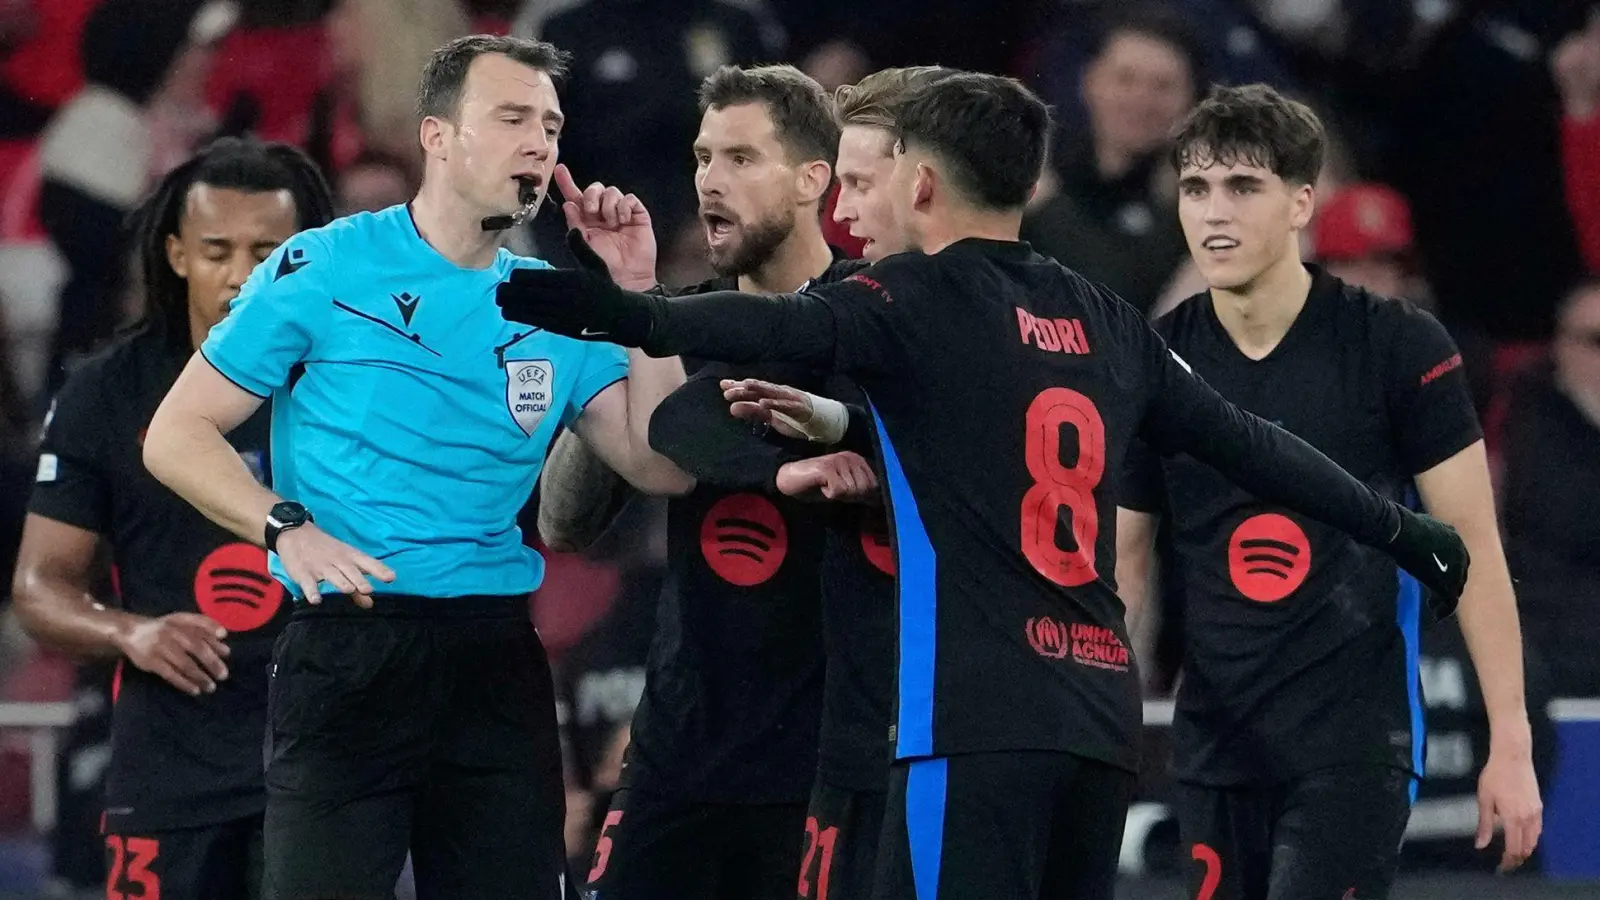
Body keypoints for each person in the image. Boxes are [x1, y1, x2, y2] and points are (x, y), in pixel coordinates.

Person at [495, 72, 1474, 900]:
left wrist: (629, 313)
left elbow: (776, 328)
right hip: (1099, 722)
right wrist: (1399, 527)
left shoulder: (912, 298)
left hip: (968, 722)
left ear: (922, 182)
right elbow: (1252, 443)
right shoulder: (1102, 315)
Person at [140, 35, 690, 900]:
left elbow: (661, 465)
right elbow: (175, 434)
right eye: (512, 118)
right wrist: (285, 526)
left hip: (495, 658)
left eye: (549, 124)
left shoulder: (558, 300)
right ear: (438, 136)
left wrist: (641, 297)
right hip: (349, 650)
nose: (539, 143)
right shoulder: (324, 266)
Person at [1115, 83, 1543, 900]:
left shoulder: (1396, 345)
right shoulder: (1154, 360)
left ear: (1301, 202)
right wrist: (1094, 720)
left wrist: (1511, 742)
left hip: (1355, 739)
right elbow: (1124, 565)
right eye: (1197, 189)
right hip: (1212, 746)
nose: (1214, 213)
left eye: (1244, 188)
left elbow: (1471, 550)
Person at [540, 64, 878, 900]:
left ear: (813, 180)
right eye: (702, 157)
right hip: (680, 750)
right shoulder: (675, 325)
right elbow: (564, 522)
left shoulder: (876, 324)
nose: (709, 182)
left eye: (739, 158)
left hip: (832, 753)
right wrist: (622, 313)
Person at [12, 137, 334, 900]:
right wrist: (131, 631)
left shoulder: (356, 382)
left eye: (269, 251)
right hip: (169, 764)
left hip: (323, 759)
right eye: (217, 250)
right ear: (177, 254)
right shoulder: (105, 393)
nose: (239, 275)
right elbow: (39, 587)